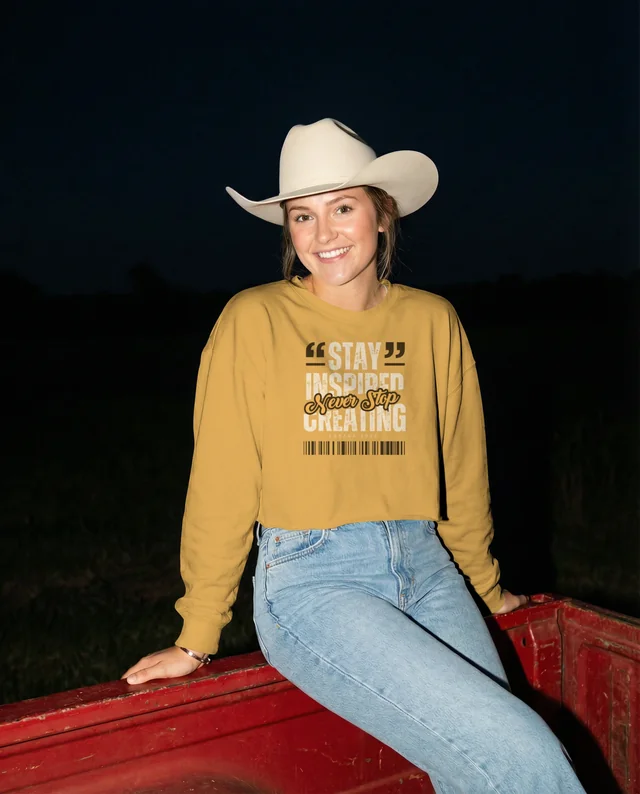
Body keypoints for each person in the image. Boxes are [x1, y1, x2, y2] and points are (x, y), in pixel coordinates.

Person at [122, 118, 586, 793]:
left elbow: (461, 467)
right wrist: (197, 633)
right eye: (302, 216)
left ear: (381, 214)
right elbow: (223, 482)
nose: (324, 232)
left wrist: (485, 585)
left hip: (429, 569)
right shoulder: (256, 320)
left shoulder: (432, 320)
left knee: (480, 767)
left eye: (343, 207)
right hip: (315, 581)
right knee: (522, 751)